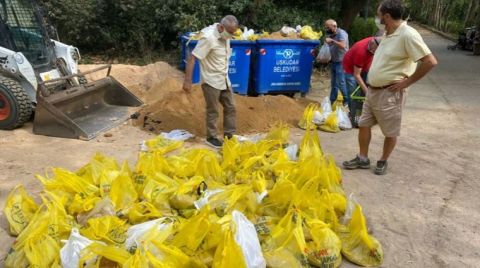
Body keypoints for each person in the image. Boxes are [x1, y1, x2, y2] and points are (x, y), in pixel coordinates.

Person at [343, 0, 438, 175]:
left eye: (379, 15)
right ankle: (362, 157)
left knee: (390, 130)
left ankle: (383, 160)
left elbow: (430, 61)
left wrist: (407, 82)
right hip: (373, 90)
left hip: (389, 93)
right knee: (363, 124)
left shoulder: (408, 34)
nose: (377, 19)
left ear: (387, 16)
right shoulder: (388, 33)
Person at [183, 15, 239, 149]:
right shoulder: (209, 38)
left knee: (231, 107)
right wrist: (187, 81)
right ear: (221, 27)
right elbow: (192, 58)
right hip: (211, 80)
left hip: (224, 78)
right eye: (229, 32)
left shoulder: (225, 34)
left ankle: (229, 135)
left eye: (233, 33)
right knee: (213, 110)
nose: (231, 36)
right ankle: (211, 137)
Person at [324, 19, 349, 107]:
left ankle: (346, 100)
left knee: (341, 82)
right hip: (334, 61)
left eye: (328, 27)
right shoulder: (331, 34)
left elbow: (343, 45)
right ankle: (332, 100)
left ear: (334, 26)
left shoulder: (342, 33)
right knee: (333, 83)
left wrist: (332, 41)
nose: (326, 28)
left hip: (341, 61)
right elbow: (330, 47)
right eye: (325, 27)